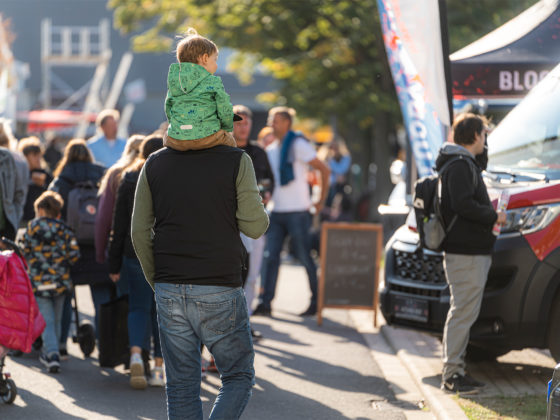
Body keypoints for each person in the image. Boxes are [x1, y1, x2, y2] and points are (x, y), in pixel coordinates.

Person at [131, 115, 269, 418]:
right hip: (219, 282)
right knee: (237, 376)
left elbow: (139, 231)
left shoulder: (155, 162)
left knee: (181, 385)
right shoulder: (236, 160)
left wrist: (158, 280)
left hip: (170, 283)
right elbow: (256, 226)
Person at [437, 113, 506, 394]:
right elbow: (464, 204)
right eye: (484, 135)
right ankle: (452, 375)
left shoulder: (461, 163)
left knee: (463, 312)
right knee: (462, 312)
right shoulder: (461, 165)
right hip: (465, 253)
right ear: (477, 135)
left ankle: (457, 371)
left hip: (465, 251)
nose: (486, 139)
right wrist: (494, 215)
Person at [253, 107, 330, 317]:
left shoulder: (298, 144)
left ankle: (315, 302)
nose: (271, 123)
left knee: (305, 256)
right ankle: (265, 302)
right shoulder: (271, 149)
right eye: (270, 120)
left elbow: (324, 169)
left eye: (275, 120)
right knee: (270, 258)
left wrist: (320, 200)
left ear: (287, 123)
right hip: (276, 211)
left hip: (298, 211)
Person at [108, 135, 164, 390]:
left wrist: (113, 263)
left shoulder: (129, 177)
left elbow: (118, 224)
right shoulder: (168, 175)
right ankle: (160, 368)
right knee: (161, 311)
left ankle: (134, 356)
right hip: (165, 252)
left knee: (138, 308)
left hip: (133, 252)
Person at [48, 139, 109, 356]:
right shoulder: (103, 175)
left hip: (69, 246)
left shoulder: (62, 180)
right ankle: (105, 345)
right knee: (102, 295)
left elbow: (50, 209)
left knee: (65, 295)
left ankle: (62, 344)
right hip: (99, 246)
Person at [19, 190, 80, 373]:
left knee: (47, 319)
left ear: (42, 210)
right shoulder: (64, 230)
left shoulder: (32, 228)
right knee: (58, 318)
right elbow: (74, 255)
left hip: (39, 282)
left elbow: (22, 250)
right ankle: (56, 349)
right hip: (61, 282)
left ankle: (51, 354)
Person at [232, 105, 274, 324]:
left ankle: (245, 321)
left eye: (246, 123)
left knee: (252, 273)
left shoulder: (258, 152)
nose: (243, 128)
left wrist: (266, 195)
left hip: (254, 220)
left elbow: (269, 181)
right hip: (228, 222)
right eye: (239, 123)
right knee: (230, 275)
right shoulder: (223, 150)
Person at [163, 28, 238, 151]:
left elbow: (168, 107)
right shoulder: (213, 81)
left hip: (177, 140)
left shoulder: (175, 82)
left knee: (166, 137)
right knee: (231, 143)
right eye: (215, 59)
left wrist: (177, 124)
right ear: (204, 59)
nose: (216, 64)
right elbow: (224, 108)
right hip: (208, 136)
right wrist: (227, 127)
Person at [94, 134, 145, 268]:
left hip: (123, 246)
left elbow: (104, 217)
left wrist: (100, 253)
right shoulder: (152, 171)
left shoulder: (116, 173)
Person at [0, 119, 29, 238]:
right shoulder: (18, 159)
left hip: (6, 225)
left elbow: (19, 194)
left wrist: (14, 219)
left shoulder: (12, 159)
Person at [18, 136, 53, 225]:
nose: (38, 158)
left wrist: (43, 185)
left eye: (39, 155)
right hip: (22, 219)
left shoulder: (45, 174)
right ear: (25, 156)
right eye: (34, 155)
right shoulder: (18, 173)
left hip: (41, 221)